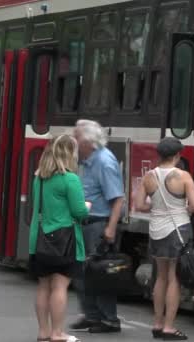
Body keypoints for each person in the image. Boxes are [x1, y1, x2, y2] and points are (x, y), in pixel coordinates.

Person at [134, 137, 194, 341]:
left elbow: (139, 205)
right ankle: (169, 327)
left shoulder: (149, 176)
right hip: (177, 229)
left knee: (160, 277)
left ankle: (157, 323)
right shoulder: (183, 176)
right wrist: (182, 209)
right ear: (177, 156)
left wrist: (157, 208)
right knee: (174, 278)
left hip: (156, 230)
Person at [29, 134, 89, 342]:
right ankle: (57, 333)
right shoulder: (70, 179)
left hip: (40, 238)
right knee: (60, 286)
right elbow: (79, 212)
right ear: (68, 153)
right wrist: (87, 207)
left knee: (43, 286)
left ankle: (43, 331)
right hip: (65, 240)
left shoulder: (40, 178)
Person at [70, 119, 125, 334]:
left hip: (97, 224)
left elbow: (117, 198)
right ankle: (91, 315)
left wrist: (110, 229)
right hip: (84, 222)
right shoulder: (85, 160)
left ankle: (109, 319)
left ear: (88, 142)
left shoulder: (104, 161)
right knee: (81, 272)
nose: (74, 142)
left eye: (77, 138)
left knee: (100, 274)